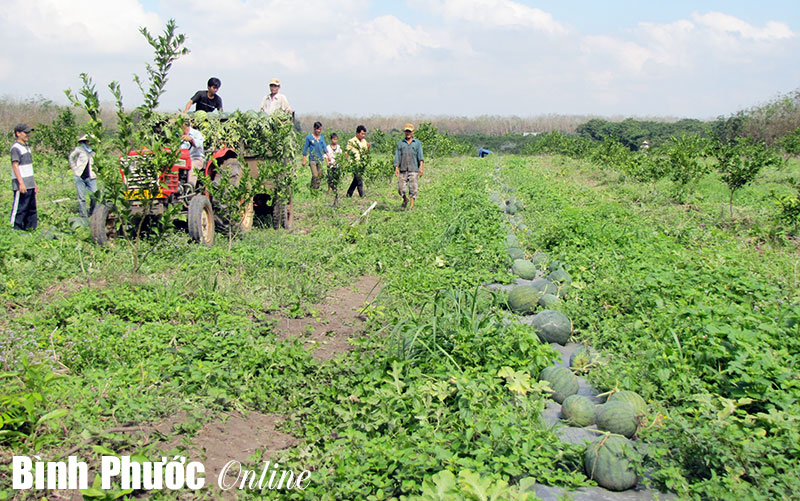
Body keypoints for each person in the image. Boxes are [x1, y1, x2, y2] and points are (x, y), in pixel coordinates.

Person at [9, 123, 37, 230]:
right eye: (25, 132)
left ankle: (30, 228)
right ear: (18, 133)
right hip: (22, 184)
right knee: (20, 208)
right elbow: (15, 166)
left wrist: (34, 184)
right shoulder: (15, 148)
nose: (27, 135)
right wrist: (21, 183)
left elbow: (29, 168)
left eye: (28, 132)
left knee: (31, 208)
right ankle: (15, 228)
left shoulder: (27, 147)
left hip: (30, 183)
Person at [394, 123, 424, 211]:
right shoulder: (400, 143)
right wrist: (396, 168)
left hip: (413, 169)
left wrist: (421, 168)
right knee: (400, 189)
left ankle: (411, 207)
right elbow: (397, 156)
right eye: (406, 131)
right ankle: (405, 199)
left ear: (413, 132)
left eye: (409, 131)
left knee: (413, 189)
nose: (408, 133)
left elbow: (420, 157)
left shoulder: (417, 143)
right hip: (403, 169)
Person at [68, 134, 98, 218]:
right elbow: (71, 157)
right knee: (82, 198)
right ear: (85, 141)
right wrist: (75, 168)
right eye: (89, 141)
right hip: (80, 176)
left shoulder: (94, 151)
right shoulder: (79, 149)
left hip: (91, 177)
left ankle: (92, 212)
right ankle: (83, 216)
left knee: (94, 196)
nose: (90, 143)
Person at [301, 121, 328, 190]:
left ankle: (316, 189)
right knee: (315, 175)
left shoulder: (321, 138)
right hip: (312, 159)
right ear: (314, 129)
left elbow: (324, 148)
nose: (319, 131)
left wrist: (328, 157)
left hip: (320, 159)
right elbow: (305, 149)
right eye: (317, 129)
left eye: (320, 129)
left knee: (320, 175)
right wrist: (304, 160)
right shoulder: (309, 138)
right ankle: (312, 189)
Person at [346, 125, 369, 198]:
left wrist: (368, 147)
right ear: (357, 133)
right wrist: (346, 162)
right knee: (359, 180)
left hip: (362, 163)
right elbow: (347, 152)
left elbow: (366, 153)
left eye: (364, 134)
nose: (363, 136)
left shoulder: (364, 141)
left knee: (356, 180)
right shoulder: (351, 141)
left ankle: (349, 194)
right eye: (362, 134)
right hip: (354, 163)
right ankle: (362, 195)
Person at [180, 120, 205, 186]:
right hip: (182, 160)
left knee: (192, 165)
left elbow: (198, 145)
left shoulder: (196, 134)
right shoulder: (178, 134)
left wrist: (191, 140)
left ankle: (190, 187)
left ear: (184, 125)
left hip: (196, 158)